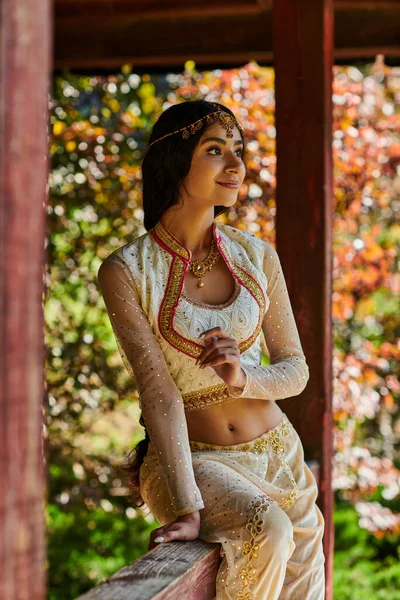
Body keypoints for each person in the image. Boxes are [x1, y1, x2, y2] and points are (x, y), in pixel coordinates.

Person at [97, 100, 325, 600]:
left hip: (282, 462)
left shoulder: (256, 256)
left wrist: (244, 375)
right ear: (176, 161)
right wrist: (185, 504)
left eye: (238, 151)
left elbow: (296, 371)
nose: (236, 166)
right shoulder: (128, 271)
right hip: (197, 461)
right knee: (270, 532)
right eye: (215, 150)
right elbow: (158, 392)